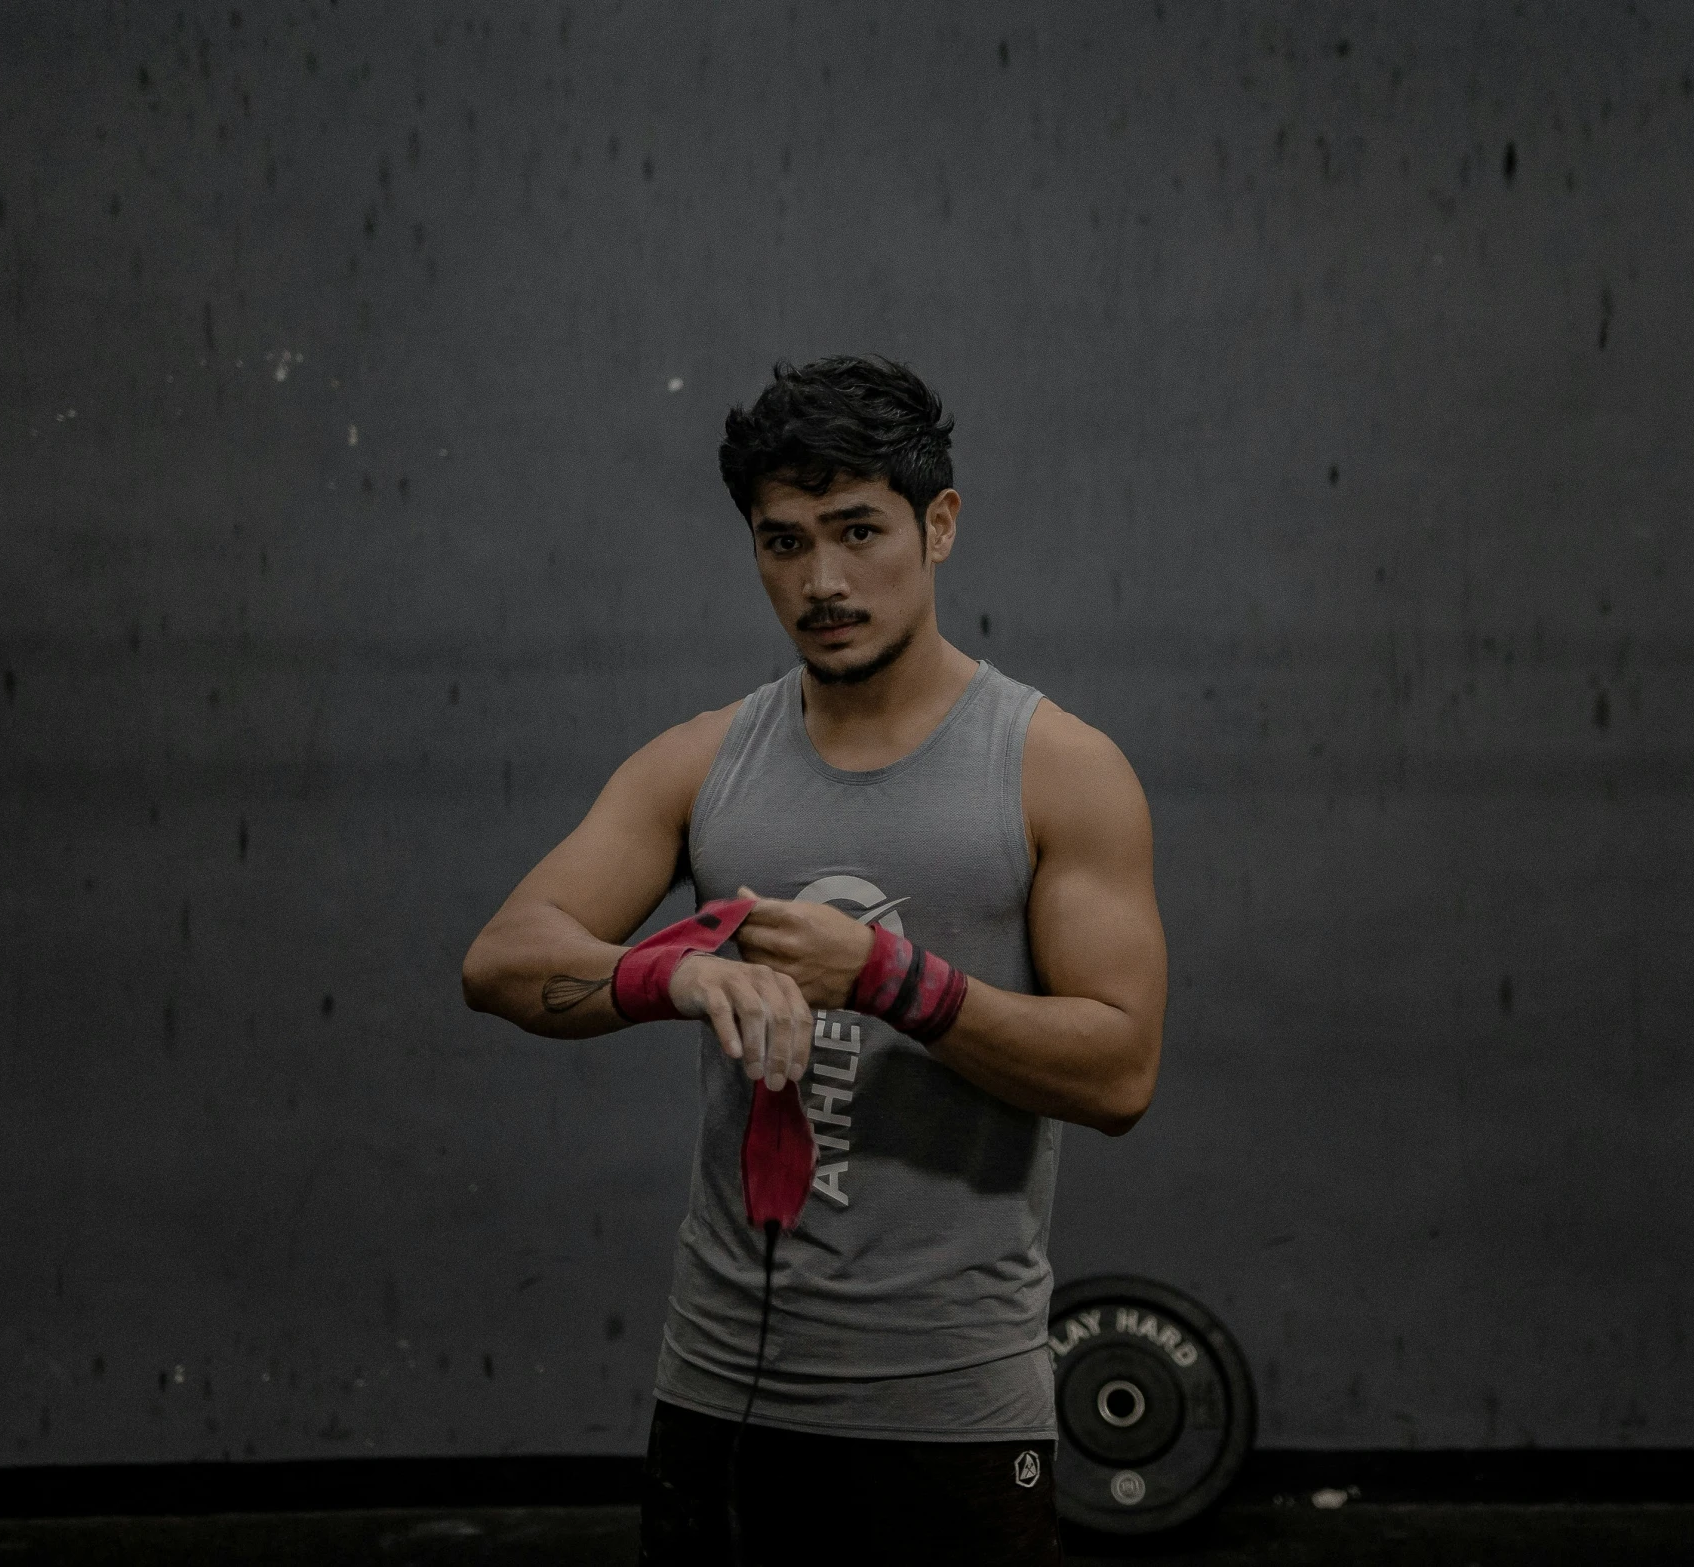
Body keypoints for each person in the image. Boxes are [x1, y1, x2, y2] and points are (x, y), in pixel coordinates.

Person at [461, 356, 1167, 1565]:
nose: (822, 581)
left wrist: (893, 978)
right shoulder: (702, 761)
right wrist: (670, 973)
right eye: (783, 543)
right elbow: (503, 957)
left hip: (951, 1401)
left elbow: (1117, 1074)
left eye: (857, 532)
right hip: (720, 1392)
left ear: (937, 525)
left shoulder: (1057, 767)